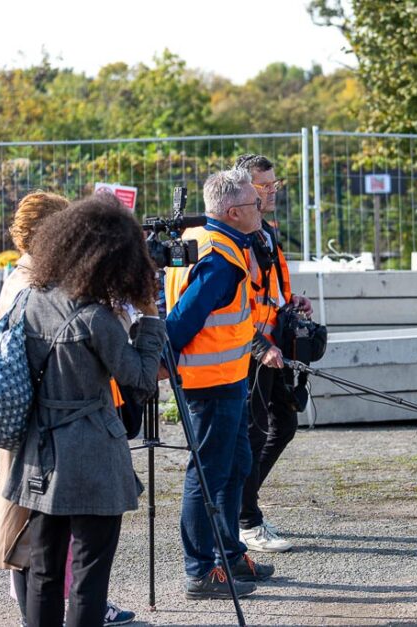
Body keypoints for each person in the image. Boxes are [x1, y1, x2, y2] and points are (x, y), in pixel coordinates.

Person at [2, 193, 166, 626]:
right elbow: (142, 380)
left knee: (44, 574)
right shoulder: (95, 317)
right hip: (92, 458)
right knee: (88, 582)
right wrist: (150, 320)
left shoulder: (32, 300)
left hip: (41, 456)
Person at [164, 169, 276, 600]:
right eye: (254, 203)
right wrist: (161, 362)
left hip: (226, 377)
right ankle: (200, 570)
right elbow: (182, 321)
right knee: (209, 475)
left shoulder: (205, 240)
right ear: (232, 212)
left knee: (235, 467)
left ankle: (229, 554)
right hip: (208, 382)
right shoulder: (221, 259)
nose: (260, 207)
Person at [233, 154, 313, 553]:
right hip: (251, 351)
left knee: (283, 424)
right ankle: (246, 519)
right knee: (252, 433)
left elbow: (267, 290)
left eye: (274, 185)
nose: (271, 192)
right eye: (263, 186)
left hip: (273, 343)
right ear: (244, 190)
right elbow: (233, 305)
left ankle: (241, 508)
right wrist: (258, 345)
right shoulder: (238, 237)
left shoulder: (266, 231)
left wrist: (289, 301)